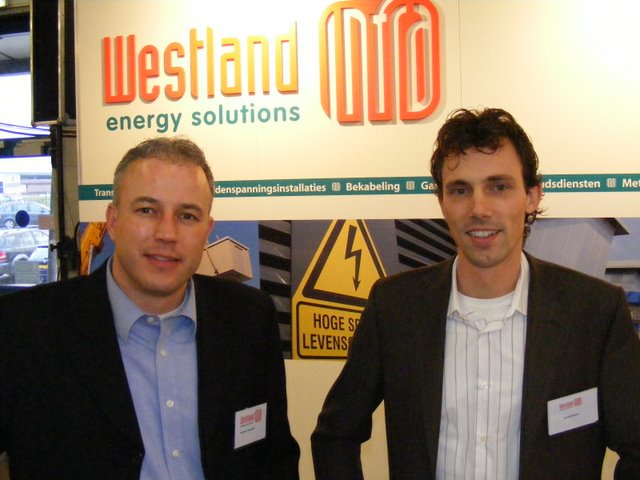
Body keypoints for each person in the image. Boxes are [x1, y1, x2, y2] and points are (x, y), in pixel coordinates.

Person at [311, 108, 640, 479]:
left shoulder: (594, 311)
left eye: (499, 187)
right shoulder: (395, 307)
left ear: (532, 196)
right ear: (441, 201)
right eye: (460, 190)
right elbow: (335, 435)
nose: (479, 209)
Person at [0, 136, 300, 480]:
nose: (167, 233)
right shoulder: (24, 328)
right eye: (147, 210)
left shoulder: (249, 318)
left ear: (207, 231)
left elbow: (274, 457)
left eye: (187, 216)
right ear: (113, 221)